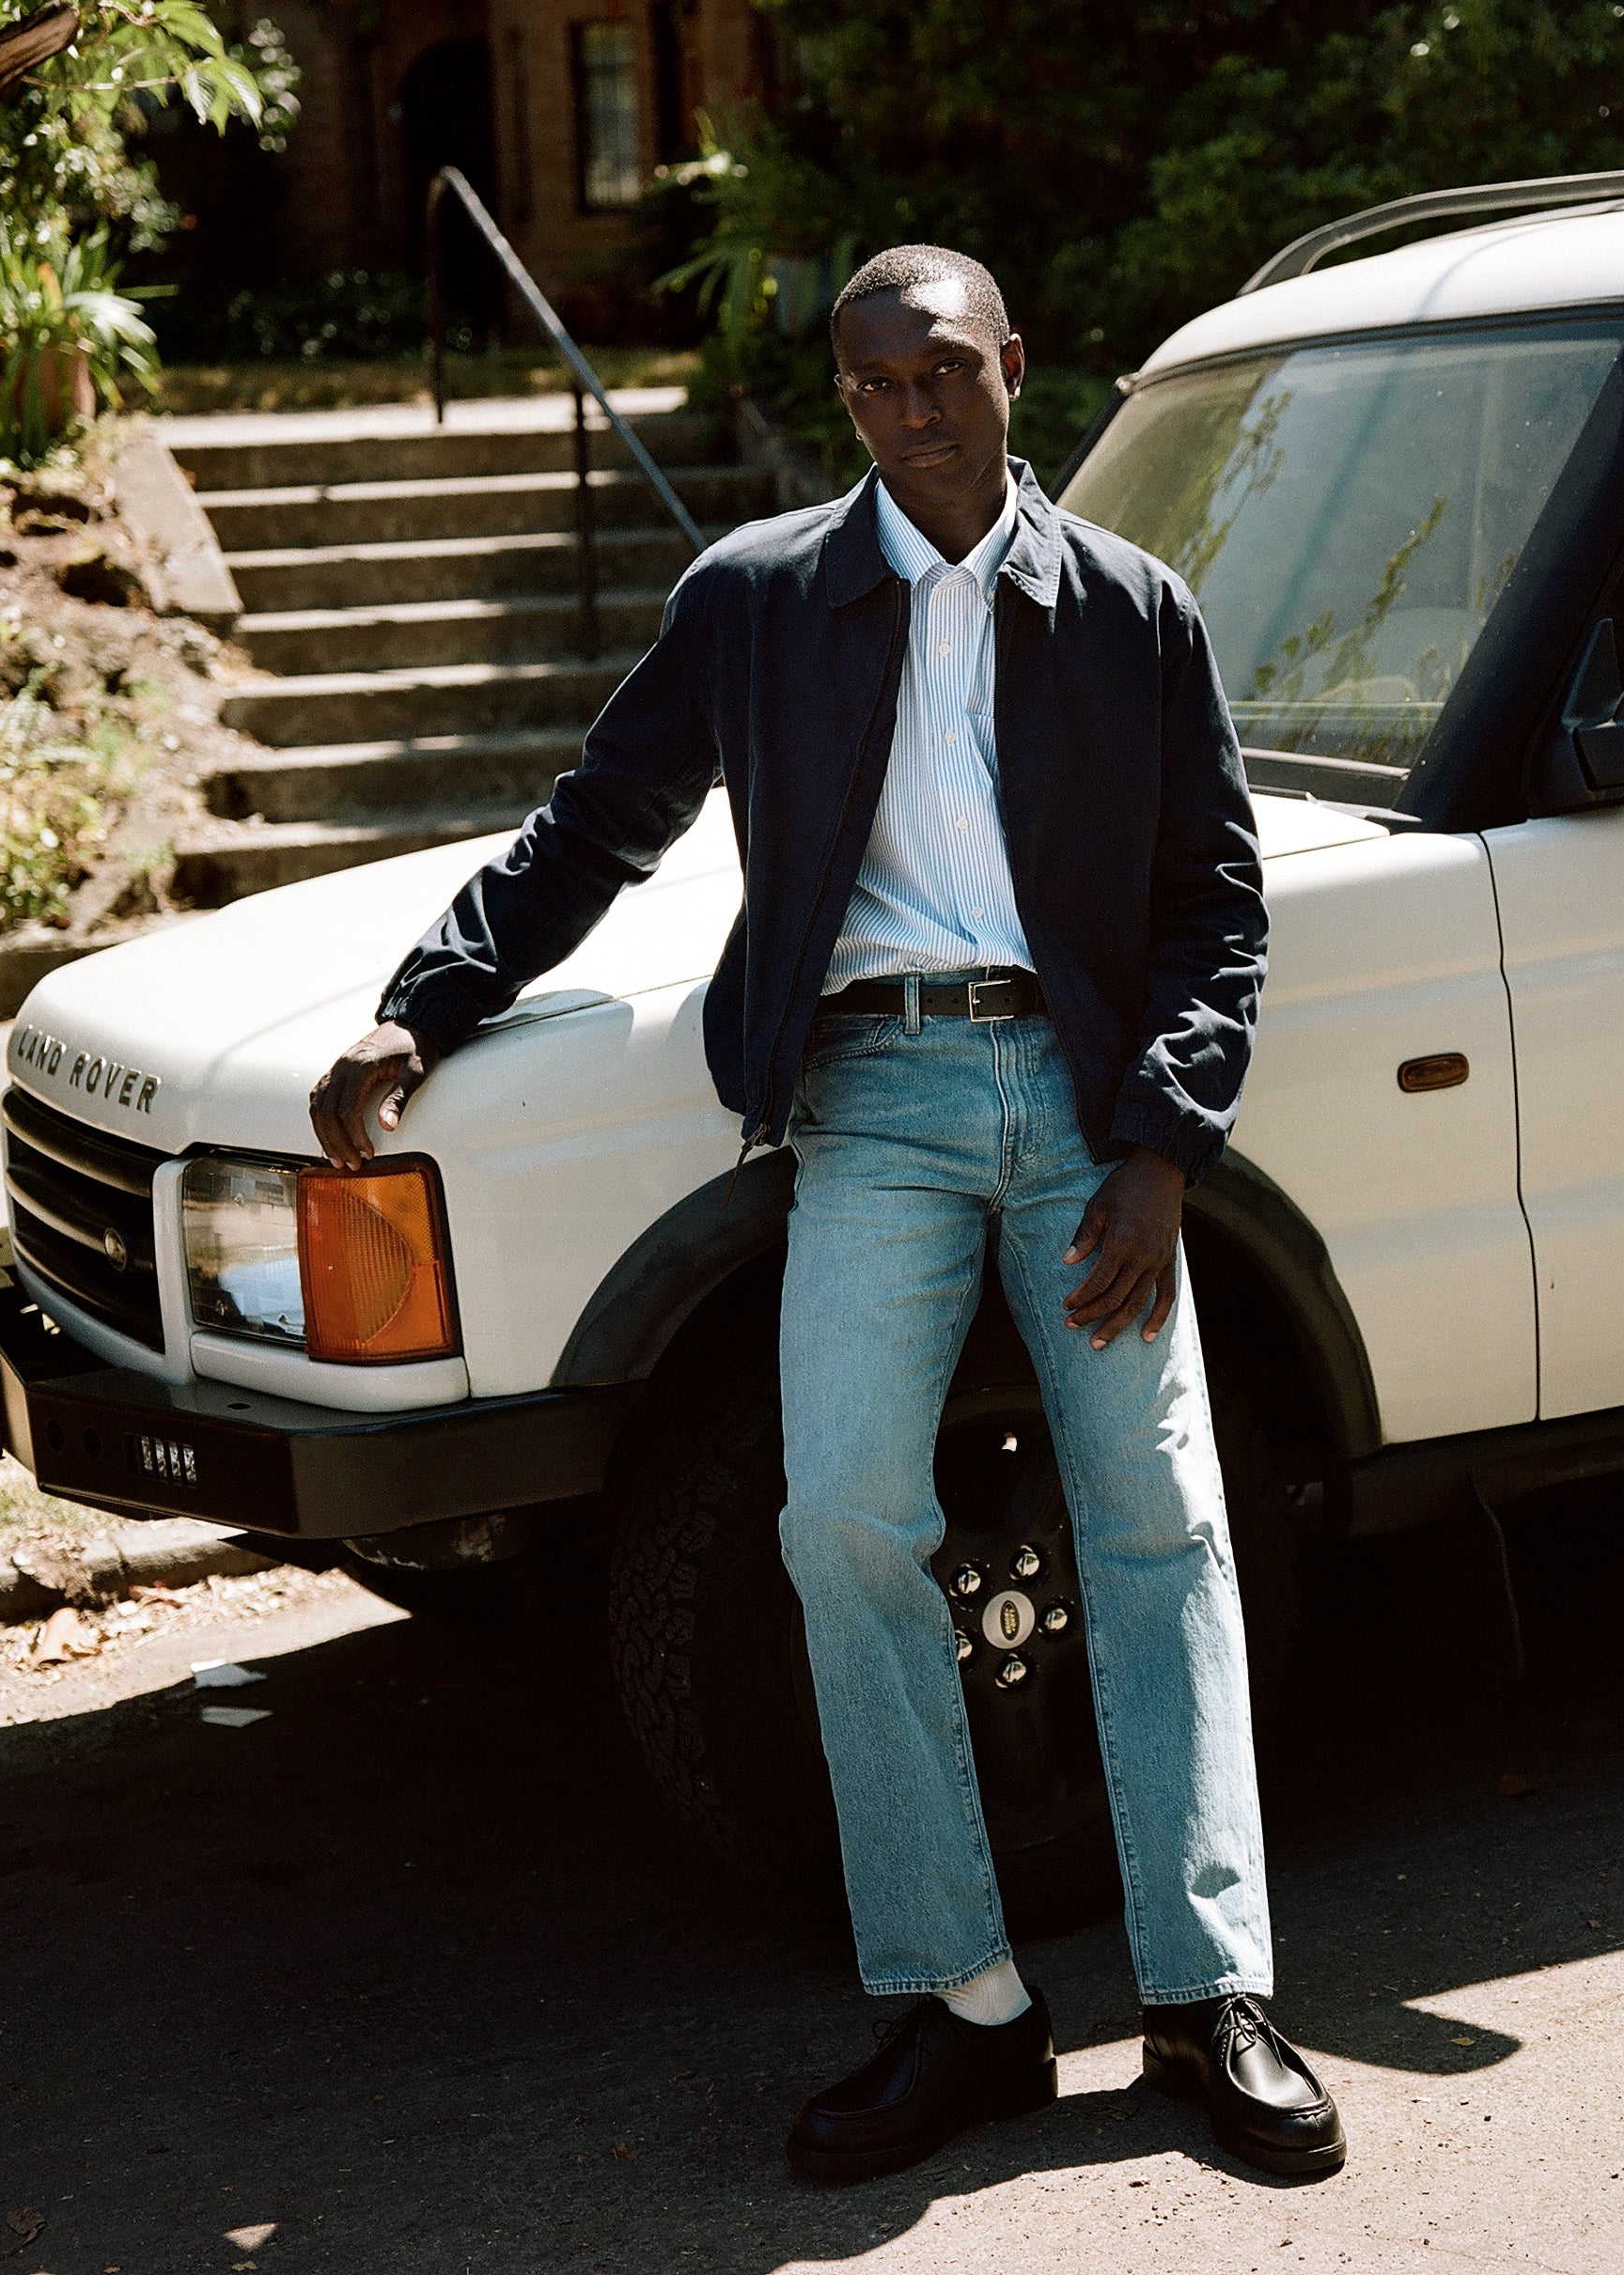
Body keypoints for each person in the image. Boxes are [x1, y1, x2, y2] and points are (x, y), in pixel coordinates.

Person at [309, 245, 1346, 2188]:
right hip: (868, 1100)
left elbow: (1217, 902)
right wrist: (421, 1002)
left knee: (1157, 1522)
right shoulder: (764, 599)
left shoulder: (1131, 611)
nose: (910, 409)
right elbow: (598, 816)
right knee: (846, 1520)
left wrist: (1161, 1145)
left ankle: (1210, 1998)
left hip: (1083, 1110)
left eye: (941, 370)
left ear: (1016, 365)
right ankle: (958, 2004)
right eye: (872, 386)